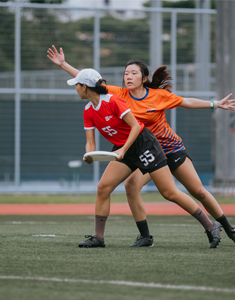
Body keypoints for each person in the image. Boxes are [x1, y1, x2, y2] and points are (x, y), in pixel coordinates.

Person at [48, 45, 235, 247]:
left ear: (143, 78)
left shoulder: (158, 95)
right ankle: (144, 236)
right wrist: (64, 64)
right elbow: (89, 82)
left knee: (197, 191)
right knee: (130, 185)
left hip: (169, 149)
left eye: (133, 73)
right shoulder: (119, 94)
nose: (128, 77)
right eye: (126, 73)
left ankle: (227, 228)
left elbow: (186, 101)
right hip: (141, 148)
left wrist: (215, 104)